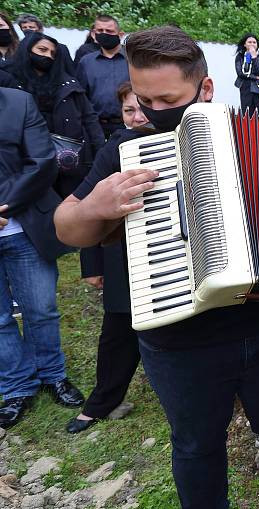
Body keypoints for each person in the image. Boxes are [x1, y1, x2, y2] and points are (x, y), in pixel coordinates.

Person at [54, 26, 259, 509]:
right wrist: (95, 205)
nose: (150, 111)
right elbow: (67, 226)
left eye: (166, 99)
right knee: (196, 442)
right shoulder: (124, 151)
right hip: (177, 335)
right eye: (141, 98)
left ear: (206, 90)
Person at [67, 81, 149, 434]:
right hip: (122, 256)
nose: (137, 116)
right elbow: (88, 212)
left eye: (142, 108)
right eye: (129, 110)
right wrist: (91, 266)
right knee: (118, 331)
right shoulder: (113, 150)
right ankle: (103, 400)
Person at [0, 87, 82, 429]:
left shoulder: (18, 103)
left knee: (41, 309)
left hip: (23, 225)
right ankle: (17, 386)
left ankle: (52, 374)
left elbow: (42, 161)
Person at [6, 33, 105, 198]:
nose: (47, 56)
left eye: (52, 53)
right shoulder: (10, 84)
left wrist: (100, 155)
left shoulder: (69, 84)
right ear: (27, 50)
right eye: (42, 50)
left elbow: (90, 120)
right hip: (26, 165)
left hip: (70, 163)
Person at [76, 15, 129, 139]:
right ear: (94, 34)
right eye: (100, 31)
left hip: (128, 124)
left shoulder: (133, 59)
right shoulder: (86, 62)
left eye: (109, 31)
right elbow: (81, 97)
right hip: (96, 126)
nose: (104, 34)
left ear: (120, 34)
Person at [234, 33, 259, 113]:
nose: (252, 44)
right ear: (245, 44)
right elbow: (240, 73)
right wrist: (255, 77)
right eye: (249, 42)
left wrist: (254, 57)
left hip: (258, 89)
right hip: (245, 86)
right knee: (247, 111)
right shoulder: (240, 56)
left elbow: (258, 71)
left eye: (254, 42)